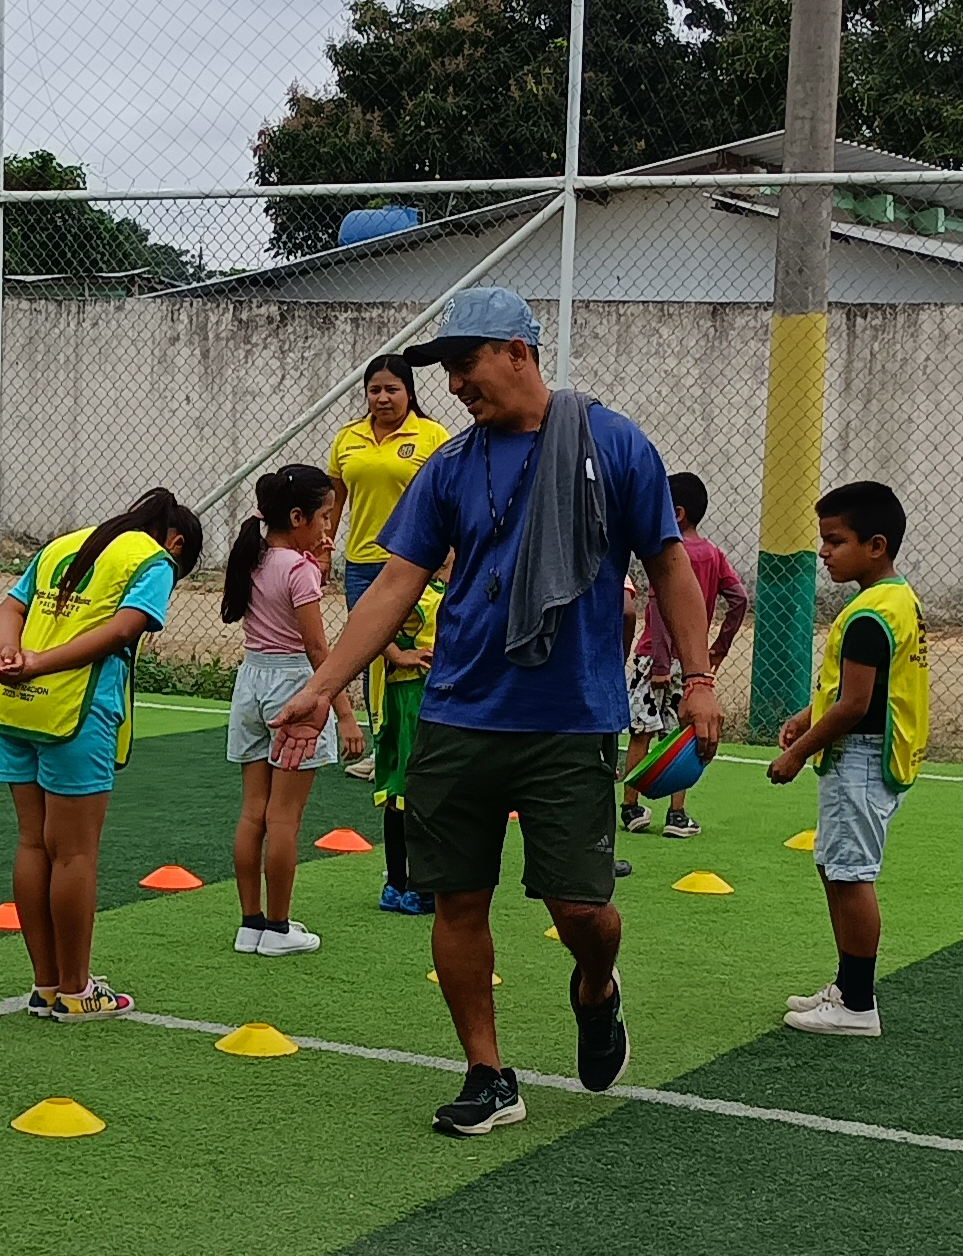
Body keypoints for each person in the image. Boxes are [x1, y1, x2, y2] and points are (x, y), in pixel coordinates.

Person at [272, 287, 722, 1137]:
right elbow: (395, 583)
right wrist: (324, 685)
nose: (453, 384)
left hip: (571, 717)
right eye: (445, 369)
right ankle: (487, 1073)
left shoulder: (612, 443)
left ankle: (596, 987)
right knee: (455, 900)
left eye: (465, 363)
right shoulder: (449, 466)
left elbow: (666, 564)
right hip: (459, 713)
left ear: (519, 351)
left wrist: (697, 678)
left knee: (581, 910)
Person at [0, 486, 203, 1018]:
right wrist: (41, 664)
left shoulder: (65, 543)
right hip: (75, 711)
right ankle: (76, 990)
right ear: (176, 543)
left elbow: (10, 607)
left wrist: (12, 654)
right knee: (74, 853)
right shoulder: (152, 560)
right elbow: (123, 630)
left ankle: (46, 986)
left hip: (15, 705)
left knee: (32, 842)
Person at [768, 480, 928, 1038]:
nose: (823, 552)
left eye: (835, 541)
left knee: (851, 875)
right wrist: (805, 715)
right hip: (870, 755)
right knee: (834, 866)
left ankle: (858, 1005)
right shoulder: (896, 600)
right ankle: (846, 983)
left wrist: (798, 753)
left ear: (875, 545)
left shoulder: (867, 616)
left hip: (859, 758)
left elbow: (855, 705)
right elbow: (857, 692)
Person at [219, 463, 339, 957]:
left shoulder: (254, 557)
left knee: (254, 812)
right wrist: (342, 711)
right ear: (297, 517)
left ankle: (250, 924)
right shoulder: (298, 569)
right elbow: (317, 647)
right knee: (284, 818)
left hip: (251, 683)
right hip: (293, 685)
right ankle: (278, 926)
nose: (329, 527)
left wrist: (318, 568)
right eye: (324, 516)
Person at [326, 354, 447, 776]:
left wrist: (449, 555)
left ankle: (428, 745)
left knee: (421, 653)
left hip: (417, 562)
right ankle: (385, 749)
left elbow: (448, 498)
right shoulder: (348, 438)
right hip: (362, 563)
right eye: (374, 390)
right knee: (372, 653)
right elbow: (334, 501)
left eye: (391, 389)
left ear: (409, 392)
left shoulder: (432, 436)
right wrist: (323, 550)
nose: (382, 398)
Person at [621, 472, 744, 839]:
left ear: (676, 513)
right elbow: (738, 600)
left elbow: (659, 609)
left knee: (641, 730)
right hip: (691, 665)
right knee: (684, 735)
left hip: (652, 659)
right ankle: (676, 815)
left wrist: (660, 662)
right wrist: (717, 648)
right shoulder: (713, 555)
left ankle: (630, 807)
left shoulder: (667, 554)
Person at [365, 576, 443, 915]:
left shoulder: (424, 584)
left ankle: (397, 884)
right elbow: (370, 617)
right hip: (416, 698)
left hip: (403, 697)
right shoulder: (421, 587)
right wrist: (398, 654)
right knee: (420, 791)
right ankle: (419, 887)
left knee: (402, 792)